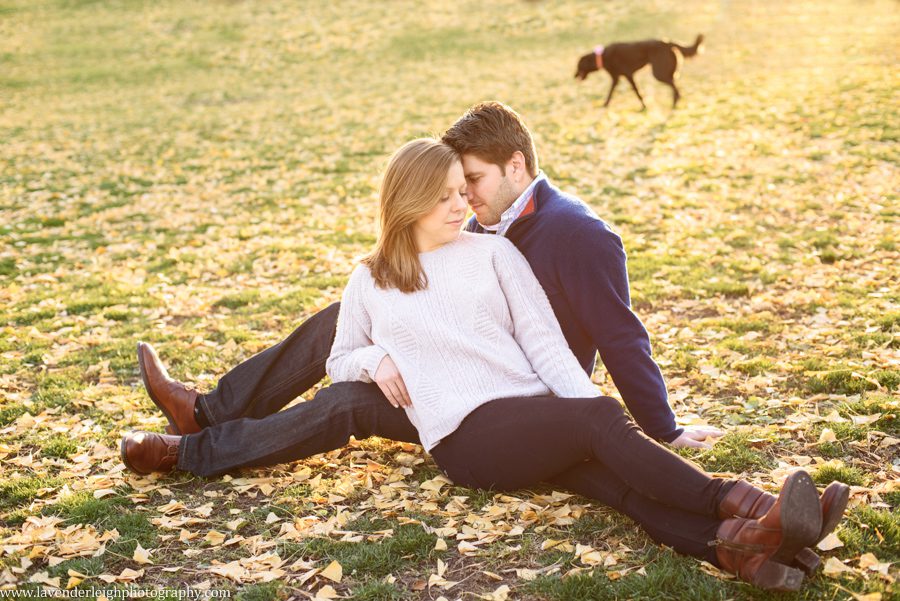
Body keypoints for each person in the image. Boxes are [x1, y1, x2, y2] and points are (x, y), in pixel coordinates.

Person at [122, 138, 848, 591]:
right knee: (599, 426)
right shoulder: (372, 276)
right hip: (466, 438)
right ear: (406, 204)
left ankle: (747, 553)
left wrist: (590, 415)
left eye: (460, 193)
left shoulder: (495, 253)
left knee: (615, 483)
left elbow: (545, 347)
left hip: (530, 418)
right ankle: (747, 504)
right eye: (443, 197)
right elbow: (340, 357)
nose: (461, 207)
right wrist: (374, 357)